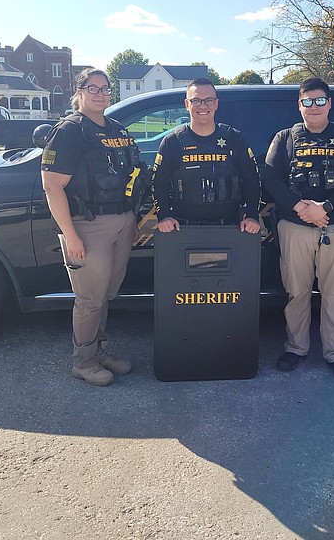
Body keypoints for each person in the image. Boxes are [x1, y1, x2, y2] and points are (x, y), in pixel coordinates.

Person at [41, 68, 147, 387]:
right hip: (88, 225)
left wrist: (133, 219)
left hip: (123, 221)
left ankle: (100, 351)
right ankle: (83, 362)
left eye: (105, 89)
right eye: (93, 88)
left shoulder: (115, 127)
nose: (101, 94)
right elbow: (52, 186)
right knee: (89, 298)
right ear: (80, 91)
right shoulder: (70, 130)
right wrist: (70, 236)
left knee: (105, 295)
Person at [263, 78, 334, 381]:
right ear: (299, 105)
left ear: (329, 103)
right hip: (294, 225)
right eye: (307, 101)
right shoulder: (284, 138)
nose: (313, 107)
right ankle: (296, 348)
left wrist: (326, 208)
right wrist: (301, 208)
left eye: (320, 101)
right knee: (297, 292)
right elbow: (271, 178)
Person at [151, 78, 261, 234]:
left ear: (216, 104)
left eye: (208, 100)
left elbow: (252, 180)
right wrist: (164, 216)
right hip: (182, 228)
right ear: (186, 104)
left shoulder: (234, 139)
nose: (202, 106)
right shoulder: (173, 142)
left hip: (231, 228)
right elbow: (158, 183)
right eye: (196, 100)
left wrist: (252, 215)